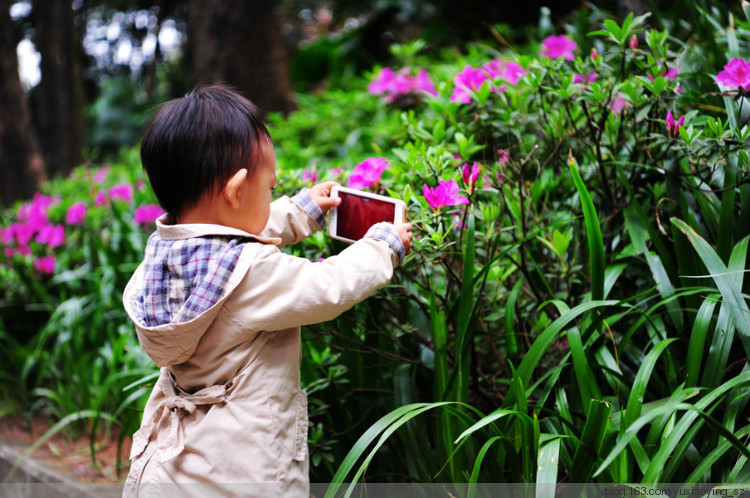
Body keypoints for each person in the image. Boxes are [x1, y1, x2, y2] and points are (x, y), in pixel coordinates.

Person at [121, 85, 412, 497]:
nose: (272, 195)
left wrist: (299, 213)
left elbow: (230, 236)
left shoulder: (168, 252)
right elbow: (326, 287)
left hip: (176, 469)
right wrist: (382, 246)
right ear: (237, 190)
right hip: (243, 473)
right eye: (270, 189)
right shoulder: (252, 275)